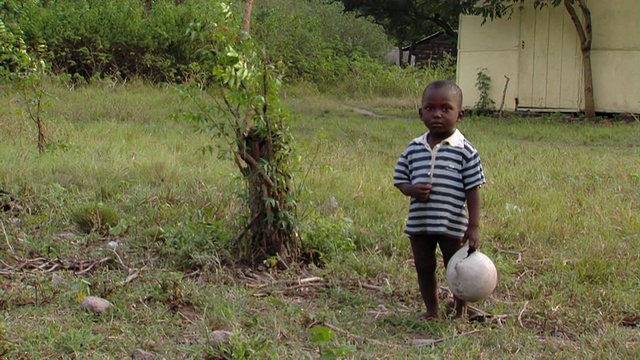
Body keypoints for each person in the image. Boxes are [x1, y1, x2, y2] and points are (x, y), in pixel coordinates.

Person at [393, 79, 485, 320]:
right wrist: (412, 189)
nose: (437, 114)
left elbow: (473, 190)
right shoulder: (413, 149)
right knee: (424, 267)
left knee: (457, 269)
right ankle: (432, 310)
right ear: (420, 112)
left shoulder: (466, 150)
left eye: (446, 109)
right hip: (420, 224)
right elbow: (400, 181)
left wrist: (473, 226)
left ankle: (459, 310)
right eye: (430, 108)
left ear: (460, 115)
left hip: (452, 225)